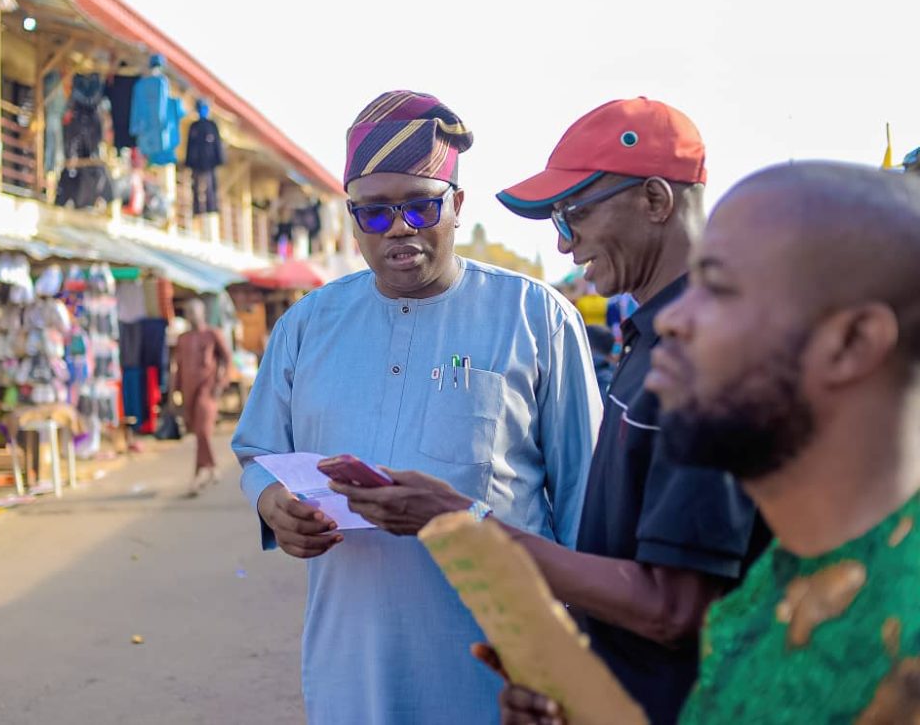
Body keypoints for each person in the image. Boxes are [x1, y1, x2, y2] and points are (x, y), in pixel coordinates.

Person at [334, 97, 766, 724]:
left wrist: (464, 524)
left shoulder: (709, 359)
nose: (565, 245)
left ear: (654, 200)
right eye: (373, 213)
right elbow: (624, 564)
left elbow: (675, 611)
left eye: (575, 214)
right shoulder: (653, 341)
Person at [492, 162, 920, 723]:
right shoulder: (766, 591)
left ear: (851, 343)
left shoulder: (900, 633)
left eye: (716, 286)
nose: (669, 322)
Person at [231, 90, 602, 725]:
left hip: (499, 677)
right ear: (352, 219)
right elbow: (259, 452)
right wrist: (272, 504)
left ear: (456, 205)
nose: (399, 228)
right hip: (351, 670)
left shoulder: (537, 318)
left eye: (420, 205)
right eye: (373, 213)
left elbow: (586, 509)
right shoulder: (307, 325)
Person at [172, 298, 229, 495]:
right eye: (187, 312)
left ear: (202, 312)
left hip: (207, 388)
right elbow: (178, 367)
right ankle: (210, 468)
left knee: (203, 431)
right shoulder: (183, 338)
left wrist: (221, 384)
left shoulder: (212, 334)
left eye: (193, 311)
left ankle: (198, 476)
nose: (190, 316)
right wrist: (174, 393)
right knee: (197, 432)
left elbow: (227, 360)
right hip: (189, 391)